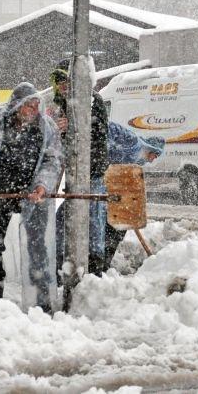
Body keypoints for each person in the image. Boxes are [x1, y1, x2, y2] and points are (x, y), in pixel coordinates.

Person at [0, 82, 62, 313]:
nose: (34, 110)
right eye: (28, 105)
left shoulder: (47, 128)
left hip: (33, 195)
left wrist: (42, 186)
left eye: (36, 105)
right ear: (16, 106)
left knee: (38, 247)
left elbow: (52, 159)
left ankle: (41, 301)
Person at [50, 59, 109, 276]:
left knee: (93, 221)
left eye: (65, 81)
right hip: (76, 175)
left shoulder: (91, 101)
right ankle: (61, 265)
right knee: (63, 223)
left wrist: (71, 128)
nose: (62, 87)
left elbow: (93, 135)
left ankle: (95, 269)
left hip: (91, 174)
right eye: (58, 83)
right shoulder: (67, 105)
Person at [103, 122, 165, 270]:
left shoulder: (137, 161)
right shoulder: (133, 142)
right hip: (104, 184)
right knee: (109, 229)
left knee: (117, 230)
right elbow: (109, 127)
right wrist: (102, 149)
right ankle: (100, 262)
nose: (153, 159)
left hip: (114, 192)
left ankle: (103, 262)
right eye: (155, 154)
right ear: (150, 148)